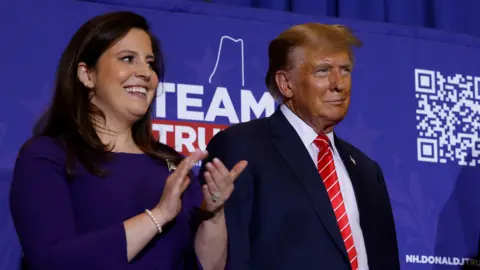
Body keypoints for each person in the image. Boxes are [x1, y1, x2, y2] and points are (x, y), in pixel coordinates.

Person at [9, 11, 247, 270]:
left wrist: (213, 214)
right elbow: (51, 262)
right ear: (86, 75)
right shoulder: (47, 156)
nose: (145, 73)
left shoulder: (173, 164)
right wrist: (158, 215)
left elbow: (209, 267)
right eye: (128, 59)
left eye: (149, 63)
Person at [200, 23, 400, 270]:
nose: (339, 83)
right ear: (286, 84)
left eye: (345, 70)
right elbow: (228, 257)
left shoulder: (368, 171)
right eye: (323, 71)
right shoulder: (243, 147)